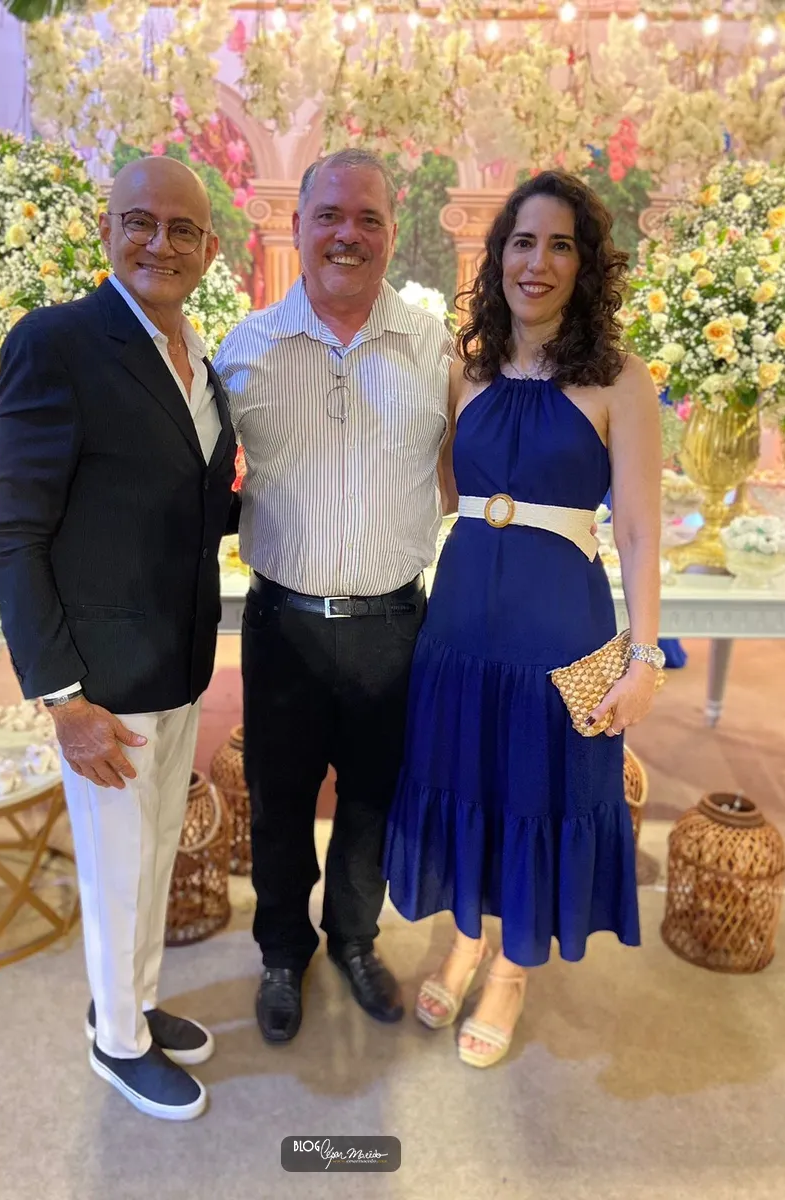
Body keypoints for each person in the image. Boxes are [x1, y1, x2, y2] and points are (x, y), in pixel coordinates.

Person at [383, 170, 663, 1068]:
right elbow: (444, 493)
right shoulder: (464, 372)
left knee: (541, 791)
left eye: (560, 245)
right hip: (461, 625)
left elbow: (640, 529)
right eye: (522, 242)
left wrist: (646, 657)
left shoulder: (620, 380)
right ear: (498, 255)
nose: (536, 262)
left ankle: (511, 966)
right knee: (469, 779)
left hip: (560, 632)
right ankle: (469, 937)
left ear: (586, 265)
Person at [0, 157, 238, 1119]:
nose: (160, 244)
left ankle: (133, 1002)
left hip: (177, 663)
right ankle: (118, 1043)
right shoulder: (57, 343)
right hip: (100, 684)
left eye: (182, 230)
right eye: (140, 222)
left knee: (153, 857)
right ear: (108, 231)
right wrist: (62, 697)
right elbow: (14, 536)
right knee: (117, 868)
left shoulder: (198, 358)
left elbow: (191, 503)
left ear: (208, 249)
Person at [214, 149, 453, 1043]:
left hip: (395, 623)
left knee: (372, 803)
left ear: (392, 233)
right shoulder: (246, 348)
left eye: (368, 219)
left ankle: (354, 939)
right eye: (330, 215)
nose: (348, 234)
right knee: (278, 802)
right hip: (284, 624)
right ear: (298, 225)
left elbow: (466, 475)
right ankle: (282, 952)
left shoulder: (435, 348)